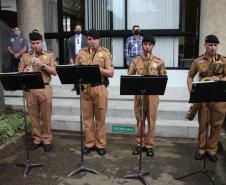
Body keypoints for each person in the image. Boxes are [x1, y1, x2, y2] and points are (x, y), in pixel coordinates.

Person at [74, 29, 114, 156]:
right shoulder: (81, 53)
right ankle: (89, 143)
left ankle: (100, 144)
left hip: (99, 87)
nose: (91, 42)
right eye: (89, 39)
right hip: (85, 88)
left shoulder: (105, 53)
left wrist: (98, 69)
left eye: (94, 39)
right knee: (87, 119)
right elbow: (75, 70)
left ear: (98, 40)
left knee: (100, 118)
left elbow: (111, 73)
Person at [187, 34, 226, 162]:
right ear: (205, 45)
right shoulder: (198, 61)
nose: (213, 48)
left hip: (219, 98)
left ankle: (212, 150)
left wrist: (219, 78)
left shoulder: (223, 60)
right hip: (203, 98)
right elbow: (190, 77)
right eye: (210, 45)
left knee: (216, 126)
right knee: (203, 125)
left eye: (215, 45)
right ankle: (201, 149)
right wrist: (192, 92)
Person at [128, 34, 167, 157]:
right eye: (145, 44)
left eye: (150, 44)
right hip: (139, 95)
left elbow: (163, 78)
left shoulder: (159, 61)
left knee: (151, 121)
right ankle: (140, 144)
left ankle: (149, 145)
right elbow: (129, 76)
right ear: (142, 45)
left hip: (153, 95)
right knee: (140, 121)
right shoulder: (135, 60)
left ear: (153, 45)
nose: (147, 47)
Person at [18, 31, 57, 152]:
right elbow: (19, 73)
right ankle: (36, 139)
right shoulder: (25, 56)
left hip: (44, 88)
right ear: (30, 43)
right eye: (33, 43)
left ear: (42, 42)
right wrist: (24, 72)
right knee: (33, 117)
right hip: (30, 90)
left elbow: (54, 72)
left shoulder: (49, 55)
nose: (35, 45)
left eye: (38, 43)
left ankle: (47, 139)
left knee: (45, 116)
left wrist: (43, 65)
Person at [69, 24, 86, 91]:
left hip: (83, 56)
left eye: (79, 29)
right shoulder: (71, 38)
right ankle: (75, 86)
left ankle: (83, 85)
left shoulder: (85, 38)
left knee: (83, 71)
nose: (78, 30)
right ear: (75, 30)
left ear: (81, 30)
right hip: (74, 57)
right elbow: (70, 49)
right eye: (77, 29)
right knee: (75, 72)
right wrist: (70, 58)